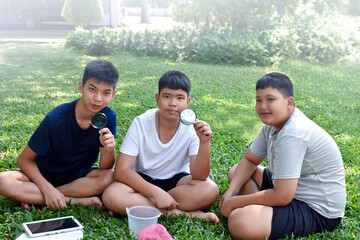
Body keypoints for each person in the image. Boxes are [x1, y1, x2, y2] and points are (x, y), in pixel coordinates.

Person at [219, 72, 346, 240]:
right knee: (236, 172)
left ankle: (255, 210)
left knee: (239, 222)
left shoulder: (293, 133)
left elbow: (282, 196)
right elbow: (250, 160)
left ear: (289, 102)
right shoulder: (271, 125)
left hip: (316, 209)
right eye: (259, 100)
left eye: (270, 99)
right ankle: (259, 208)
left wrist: (234, 202)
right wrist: (230, 193)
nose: (263, 106)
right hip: (288, 187)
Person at [0, 59, 119, 210]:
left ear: (113, 94)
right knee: (3, 181)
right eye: (92, 89)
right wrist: (47, 188)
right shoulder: (56, 118)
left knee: (110, 176)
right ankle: (75, 200)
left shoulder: (109, 118)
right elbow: (24, 160)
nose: (98, 98)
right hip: (44, 174)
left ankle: (39, 198)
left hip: (78, 178)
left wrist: (109, 148)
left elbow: (105, 166)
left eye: (106, 93)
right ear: (81, 87)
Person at [102, 71, 220, 223]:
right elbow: (122, 171)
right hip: (142, 179)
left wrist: (204, 143)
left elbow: (199, 176)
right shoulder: (141, 122)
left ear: (188, 102)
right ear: (157, 99)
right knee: (112, 195)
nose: (173, 103)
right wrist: (157, 193)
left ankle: (135, 207)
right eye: (167, 96)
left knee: (210, 190)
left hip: (176, 182)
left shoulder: (193, 128)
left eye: (180, 98)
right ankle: (184, 214)